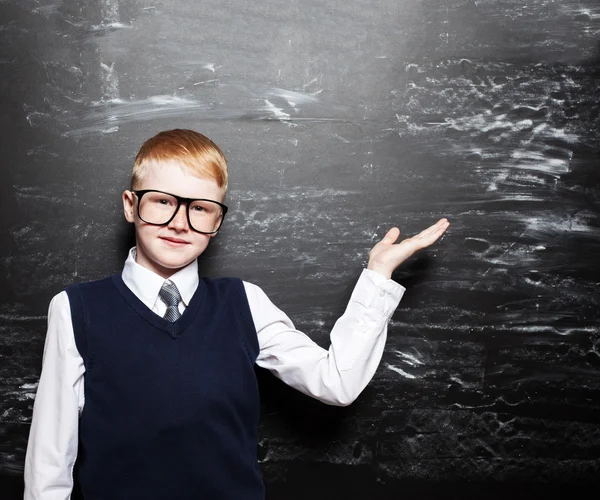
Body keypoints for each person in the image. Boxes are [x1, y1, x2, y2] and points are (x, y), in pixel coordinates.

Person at [24, 129, 449, 500]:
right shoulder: (76, 309)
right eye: (162, 202)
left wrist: (377, 276)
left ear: (218, 221)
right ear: (130, 205)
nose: (179, 222)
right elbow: (50, 460)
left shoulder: (245, 302)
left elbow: (336, 383)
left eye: (200, 208)